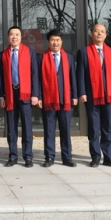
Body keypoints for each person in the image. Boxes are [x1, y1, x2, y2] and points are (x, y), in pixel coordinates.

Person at [76, 23, 111, 167]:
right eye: (96, 31)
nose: (99, 34)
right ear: (91, 34)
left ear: (106, 34)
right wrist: (82, 92)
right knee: (94, 127)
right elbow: (80, 74)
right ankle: (95, 156)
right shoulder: (84, 52)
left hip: (109, 95)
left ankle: (108, 157)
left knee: (107, 127)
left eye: (102, 31)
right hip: (91, 96)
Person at [37, 29, 78, 167]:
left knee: (65, 130)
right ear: (48, 42)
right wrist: (39, 97)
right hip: (48, 100)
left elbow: (73, 78)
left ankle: (67, 157)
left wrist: (74, 95)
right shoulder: (41, 58)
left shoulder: (68, 58)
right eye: (53, 40)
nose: (55, 43)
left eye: (58, 40)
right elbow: (38, 80)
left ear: (61, 41)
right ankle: (49, 157)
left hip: (65, 99)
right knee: (49, 130)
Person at [0, 26, 39, 167]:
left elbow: (35, 74)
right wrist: (1, 96)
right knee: (11, 127)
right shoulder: (3, 54)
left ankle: (28, 157)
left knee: (27, 126)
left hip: (25, 93)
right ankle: (13, 156)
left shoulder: (30, 52)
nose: (14, 37)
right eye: (12, 34)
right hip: (10, 94)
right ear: (8, 37)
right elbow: (0, 78)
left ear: (21, 37)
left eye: (17, 34)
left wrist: (35, 94)